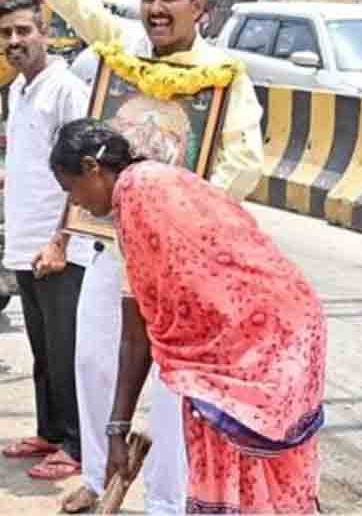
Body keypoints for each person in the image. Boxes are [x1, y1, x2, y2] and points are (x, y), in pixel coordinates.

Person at [0, 0, 265, 515]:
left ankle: (166, 502)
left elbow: (243, 164)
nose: (154, 10)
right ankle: (97, 473)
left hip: (182, 256)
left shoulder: (225, 75)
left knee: (174, 382)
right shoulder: (122, 47)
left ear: (199, 7)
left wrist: (184, 215)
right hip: (112, 243)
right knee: (91, 358)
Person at [49, 118, 326, 513]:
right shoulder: (154, 182)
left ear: (93, 169)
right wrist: (118, 427)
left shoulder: (138, 196)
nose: (74, 203)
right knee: (259, 473)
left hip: (253, 344)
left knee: (236, 462)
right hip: (285, 327)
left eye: (70, 189)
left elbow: (138, 329)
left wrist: (116, 430)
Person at [0, 0, 94, 481]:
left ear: (44, 31)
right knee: (42, 347)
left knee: (67, 346)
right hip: (25, 238)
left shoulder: (66, 90)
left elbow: (84, 173)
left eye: (23, 31)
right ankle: (50, 432)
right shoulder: (18, 89)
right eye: (6, 33)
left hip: (61, 244)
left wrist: (60, 241)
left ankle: (76, 447)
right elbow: (31, 160)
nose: (14, 40)